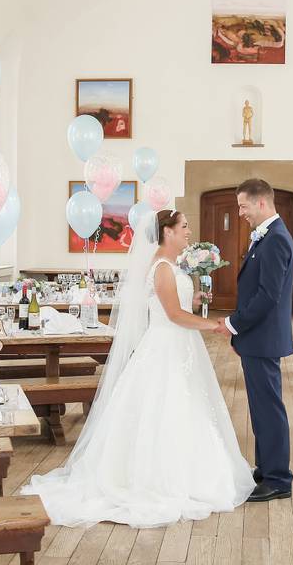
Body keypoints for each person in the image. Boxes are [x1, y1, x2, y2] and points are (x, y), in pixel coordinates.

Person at [22, 210, 255, 528]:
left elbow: (172, 301)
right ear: (168, 232)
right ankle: (157, 477)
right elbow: (173, 314)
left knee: (186, 404)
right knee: (164, 404)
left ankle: (192, 467)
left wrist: (194, 295)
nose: (189, 232)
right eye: (184, 227)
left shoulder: (170, 265)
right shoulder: (161, 266)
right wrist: (214, 325)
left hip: (181, 346)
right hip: (166, 344)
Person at [214, 178, 293, 502]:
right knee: (261, 408)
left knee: (269, 408)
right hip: (258, 338)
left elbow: (267, 296)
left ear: (262, 203)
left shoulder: (275, 239)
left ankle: (278, 479)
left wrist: (233, 324)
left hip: (263, 338)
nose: (240, 212)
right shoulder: (269, 236)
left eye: (243, 206)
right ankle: (266, 469)